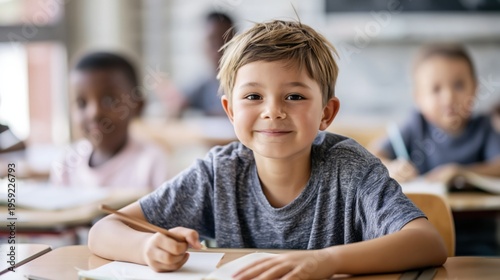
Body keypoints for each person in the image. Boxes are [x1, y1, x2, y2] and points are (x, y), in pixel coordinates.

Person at [88, 20, 446, 279]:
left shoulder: (349, 168)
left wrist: (326, 262)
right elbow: (103, 231)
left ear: (327, 113)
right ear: (230, 111)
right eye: (253, 96)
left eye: (294, 96)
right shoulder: (219, 172)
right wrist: (147, 249)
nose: (272, 111)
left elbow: (428, 243)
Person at [371, 44, 500, 256]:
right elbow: (374, 154)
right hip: (421, 241)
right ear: (419, 98)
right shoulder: (415, 125)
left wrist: (461, 172)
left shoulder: (483, 127)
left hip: (477, 243)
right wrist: (392, 166)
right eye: (436, 89)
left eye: (459, 85)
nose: (449, 97)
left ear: (475, 88)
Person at [50, 52, 170, 190]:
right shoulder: (66, 164)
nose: (94, 113)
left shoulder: (152, 164)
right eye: (81, 103)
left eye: (109, 101)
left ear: (137, 106)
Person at [158, 12, 236, 117]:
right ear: (202, 44)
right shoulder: (202, 85)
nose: (219, 48)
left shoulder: (246, 80)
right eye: (212, 40)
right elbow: (178, 106)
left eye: (225, 39)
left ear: (236, 42)